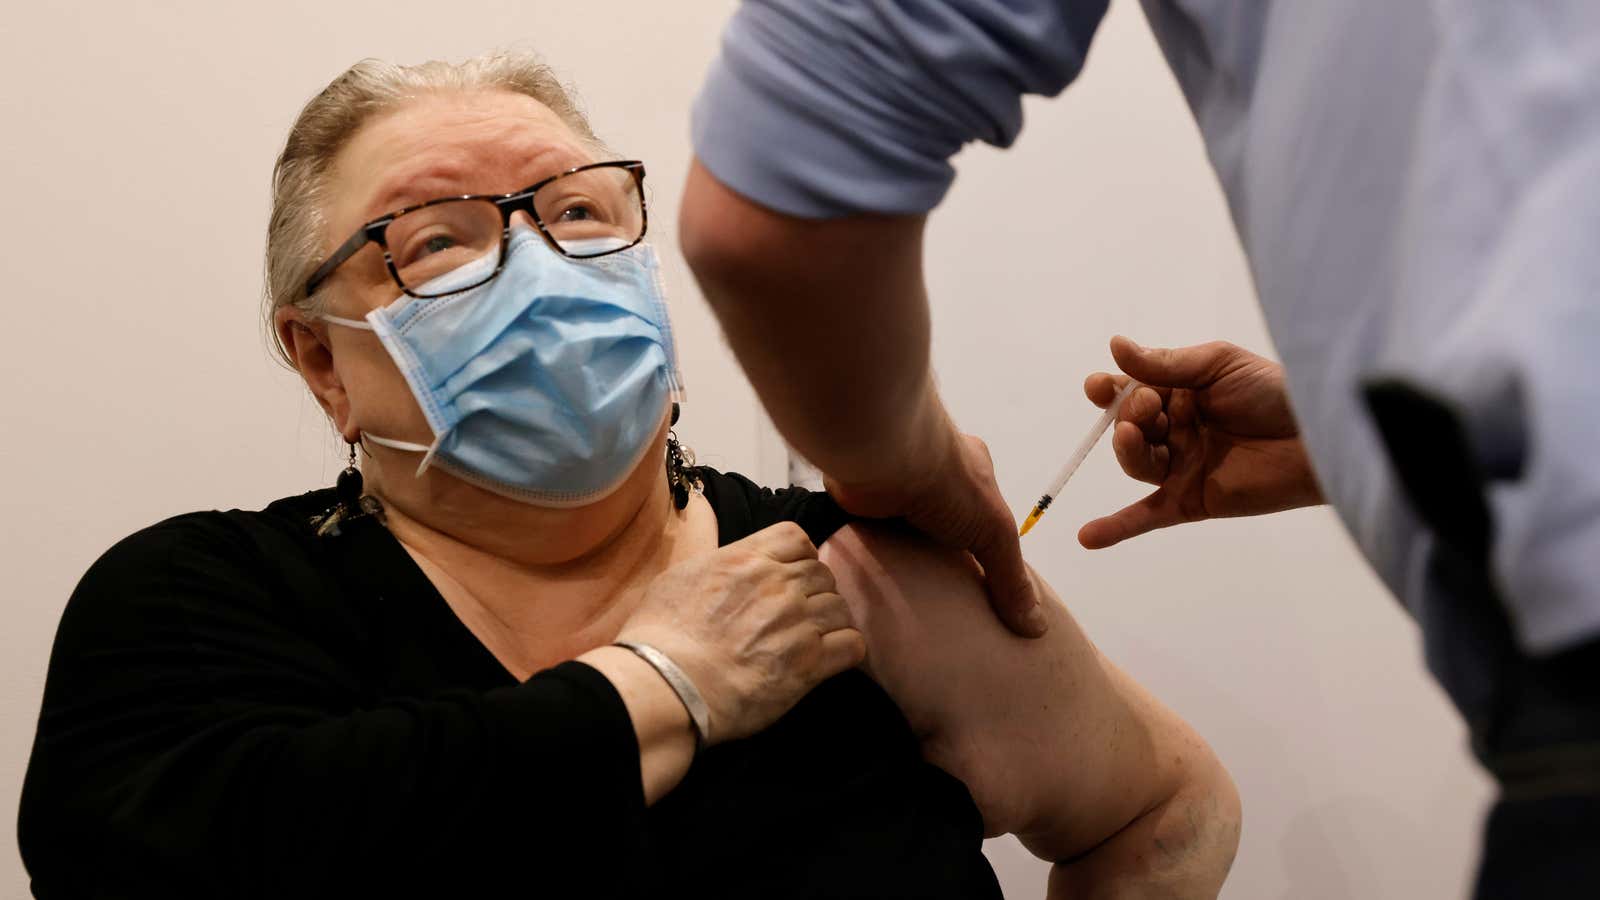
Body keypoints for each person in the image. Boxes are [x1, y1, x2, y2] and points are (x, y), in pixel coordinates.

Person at [17, 53, 1241, 899]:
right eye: (437, 239)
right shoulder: (200, 603)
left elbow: (1168, 809)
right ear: (320, 360)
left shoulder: (864, 578)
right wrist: (663, 681)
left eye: (581, 214)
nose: (541, 270)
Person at [678, 2, 1600, 895]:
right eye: (519, 235)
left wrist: (902, 466)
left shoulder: (848, 569)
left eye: (581, 213)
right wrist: (1336, 440)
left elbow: (783, 181)